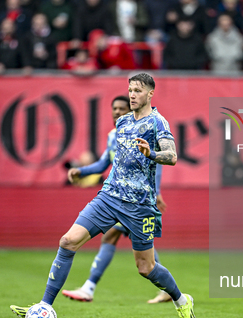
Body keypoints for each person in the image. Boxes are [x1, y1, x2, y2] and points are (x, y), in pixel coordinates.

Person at [10, 73, 195, 318]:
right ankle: (45, 305)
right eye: (130, 90)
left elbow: (172, 156)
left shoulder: (158, 123)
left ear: (151, 93)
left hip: (140, 205)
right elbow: (110, 162)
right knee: (68, 241)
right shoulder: (122, 123)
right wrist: (86, 172)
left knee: (146, 267)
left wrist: (151, 153)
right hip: (109, 197)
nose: (132, 95)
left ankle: (181, 300)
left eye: (138, 91)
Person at [61, 95, 172, 304]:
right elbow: (103, 164)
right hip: (119, 197)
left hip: (137, 200)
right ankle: (167, 289)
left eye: (122, 108)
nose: (118, 112)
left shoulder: (141, 131)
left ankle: (89, 287)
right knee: (141, 249)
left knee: (112, 237)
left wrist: (155, 193)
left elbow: (155, 163)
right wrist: (81, 171)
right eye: (115, 108)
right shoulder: (114, 135)